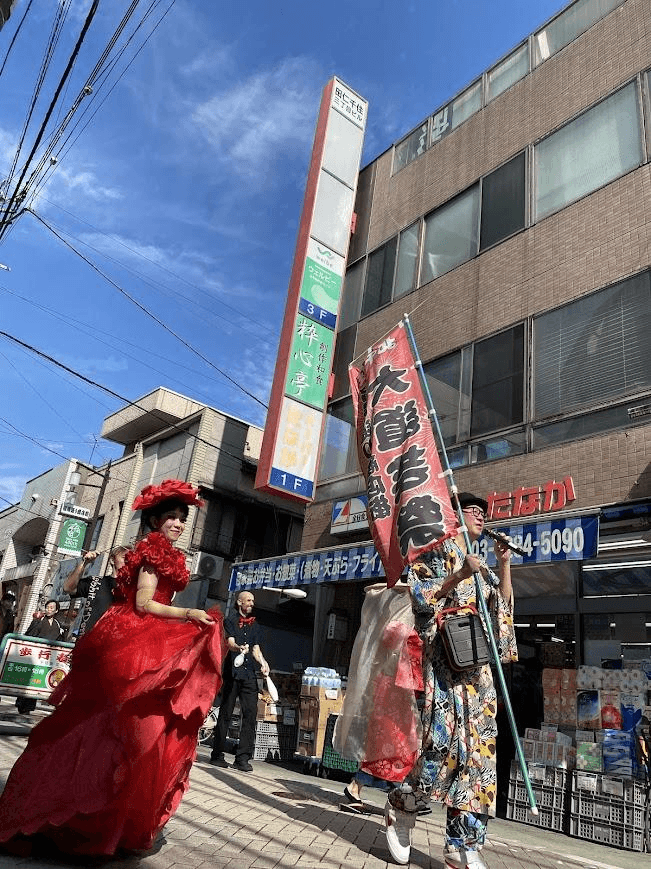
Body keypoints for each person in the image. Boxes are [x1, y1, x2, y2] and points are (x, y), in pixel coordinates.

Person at [0, 479, 227, 856]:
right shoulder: (153, 548)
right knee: (121, 729)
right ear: (155, 521)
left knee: (130, 730)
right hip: (135, 636)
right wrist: (188, 614)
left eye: (181, 518)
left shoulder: (164, 550)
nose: (177, 523)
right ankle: (78, 812)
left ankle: (111, 821)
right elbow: (143, 604)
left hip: (142, 635)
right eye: (170, 517)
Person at [384, 492, 517, 869]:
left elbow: (502, 617)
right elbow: (420, 598)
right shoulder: (433, 554)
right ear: (454, 516)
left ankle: (463, 844)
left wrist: (504, 566)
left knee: (480, 758)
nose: (480, 516)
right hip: (445, 666)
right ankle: (402, 810)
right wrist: (459, 575)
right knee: (440, 748)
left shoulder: (486, 568)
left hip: (480, 674)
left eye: (483, 512)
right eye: (472, 510)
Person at [210, 590, 270, 772]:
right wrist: (238, 647)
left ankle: (242, 758)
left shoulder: (255, 625)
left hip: (250, 674)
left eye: (253, 600)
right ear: (240, 602)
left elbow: (256, 649)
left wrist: (264, 663)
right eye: (249, 600)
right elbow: (230, 642)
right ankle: (217, 754)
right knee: (226, 712)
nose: (252, 603)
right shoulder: (230, 620)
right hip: (233, 672)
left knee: (250, 713)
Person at [63, 545, 129, 638]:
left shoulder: (134, 588)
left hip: (116, 643)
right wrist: (84, 563)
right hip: (89, 641)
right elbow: (68, 588)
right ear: (112, 560)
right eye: (124, 557)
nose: (128, 560)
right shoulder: (96, 582)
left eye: (131, 558)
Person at [14, 600, 63, 715]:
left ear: (56, 610)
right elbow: (29, 636)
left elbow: (60, 640)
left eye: (52, 608)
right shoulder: (38, 621)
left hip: (47, 658)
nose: (49, 609)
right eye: (47, 607)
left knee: (38, 680)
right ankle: (22, 704)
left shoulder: (58, 625)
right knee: (29, 679)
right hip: (35, 655)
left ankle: (29, 707)